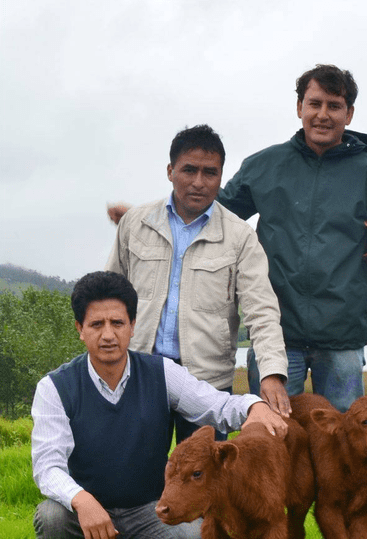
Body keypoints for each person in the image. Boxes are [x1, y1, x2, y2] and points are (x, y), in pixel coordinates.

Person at [31, 271, 286, 539]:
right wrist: (82, 500)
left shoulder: (160, 373)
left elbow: (215, 405)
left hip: (150, 511)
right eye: (96, 324)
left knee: (196, 538)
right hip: (87, 515)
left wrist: (253, 406)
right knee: (51, 517)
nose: (108, 334)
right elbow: (47, 467)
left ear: (133, 325)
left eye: (118, 322)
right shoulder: (55, 388)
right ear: (80, 328)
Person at [217, 64, 367, 412]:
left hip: (342, 340)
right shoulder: (264, 166)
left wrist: (354, 292)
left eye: (334, 106)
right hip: (275, 335)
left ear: (348, 113)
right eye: (314, 103)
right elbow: (216, 218)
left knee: (342, 443)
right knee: (273, 440)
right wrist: (151, 214)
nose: (322, 115)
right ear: (299, 106)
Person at [105, 124, 289, 446]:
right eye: (189, 170)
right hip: (142, 374)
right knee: (138, 478)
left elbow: (262, 311)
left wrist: (271, 373)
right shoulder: (136, 224)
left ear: (221, 176)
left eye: (210, 172)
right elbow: (109, 297)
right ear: (170, 171)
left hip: (207, 385)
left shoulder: (240, 237)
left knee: (206, 485)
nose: (199, 182)